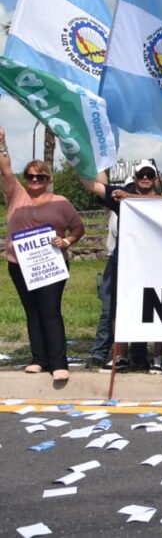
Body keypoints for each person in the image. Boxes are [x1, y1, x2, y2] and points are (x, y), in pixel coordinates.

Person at [1, 126, 84, 383]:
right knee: (32, 311)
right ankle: (39, 359)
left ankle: (59, 363)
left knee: (50, 310)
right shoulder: (16, 195)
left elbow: (78, 228)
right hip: (19, 264)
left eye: (40, 177)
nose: (34, 180)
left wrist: (67, 240)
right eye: (30, 176)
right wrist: (2, 143)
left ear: (48, 179)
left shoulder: (61, 202)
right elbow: (4, 169)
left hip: (51, 263)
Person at [80, 160, 162, 373]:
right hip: (126, 259)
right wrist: (78, 157)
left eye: (149, 174)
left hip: (156, 262)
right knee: (121, 307)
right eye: (140, 175)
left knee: (156, 308)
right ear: (134, 178)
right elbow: (92, 186)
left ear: (156, 179)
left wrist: (131, 197)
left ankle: (155, 359)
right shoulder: (121, 199)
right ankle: (122, 356)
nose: (145, 178)